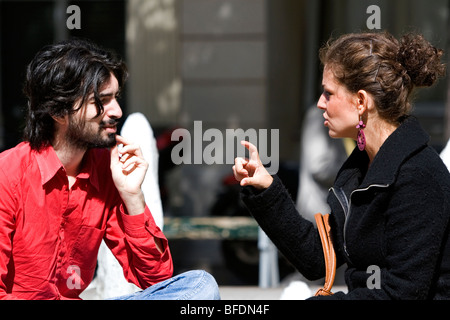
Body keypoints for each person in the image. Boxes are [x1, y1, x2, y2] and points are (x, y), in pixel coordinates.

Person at [233, 31, 450, 299]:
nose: (320, 103)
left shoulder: (418, 175)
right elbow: (316, 258)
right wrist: (265, 189)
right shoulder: (360, 168)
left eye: (328, 93)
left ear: (360, 101)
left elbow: (401, 294)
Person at [0, 38, 220, 300]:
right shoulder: (8, 173)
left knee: (200, 288)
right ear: (59, 111)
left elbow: (155, 279)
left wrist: (133, 197)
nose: (116, 110)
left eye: (116, 97)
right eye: (102, 100)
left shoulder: (107, 172)